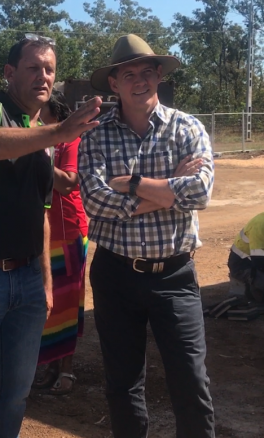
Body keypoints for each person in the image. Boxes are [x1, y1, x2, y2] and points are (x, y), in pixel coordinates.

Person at [0, 34, 102, 438]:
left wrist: (44, 282)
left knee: (13, 395)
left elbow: (41, 215)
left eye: (49, 69)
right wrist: (58, 133)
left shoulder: (39, 132)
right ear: (10, 73)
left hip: (26, 282)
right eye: (33, 67)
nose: (43, 76)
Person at [78, 34, 215, 438]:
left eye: (147, 72)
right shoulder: (96, 134)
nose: (140, 81)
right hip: (115, 275)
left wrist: (133, 183)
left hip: (175, 276)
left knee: (191, 380)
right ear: (115, 84)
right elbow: (95, 203)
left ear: (159, 76)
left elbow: (201, 193)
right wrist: (171, 191)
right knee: (123, 383)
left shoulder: (187, 128)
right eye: (129, 74)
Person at [32, 92, 89, 396]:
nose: (36, 121)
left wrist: (36, 154)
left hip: (68, 232)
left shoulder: (70, 143)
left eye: (41, 115)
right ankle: (51, 364)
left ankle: (67, 369)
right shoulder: (36, 141)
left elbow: (68, 182)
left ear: (55, 116)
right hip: (40, 234)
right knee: (46, 304)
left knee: (66, 303)